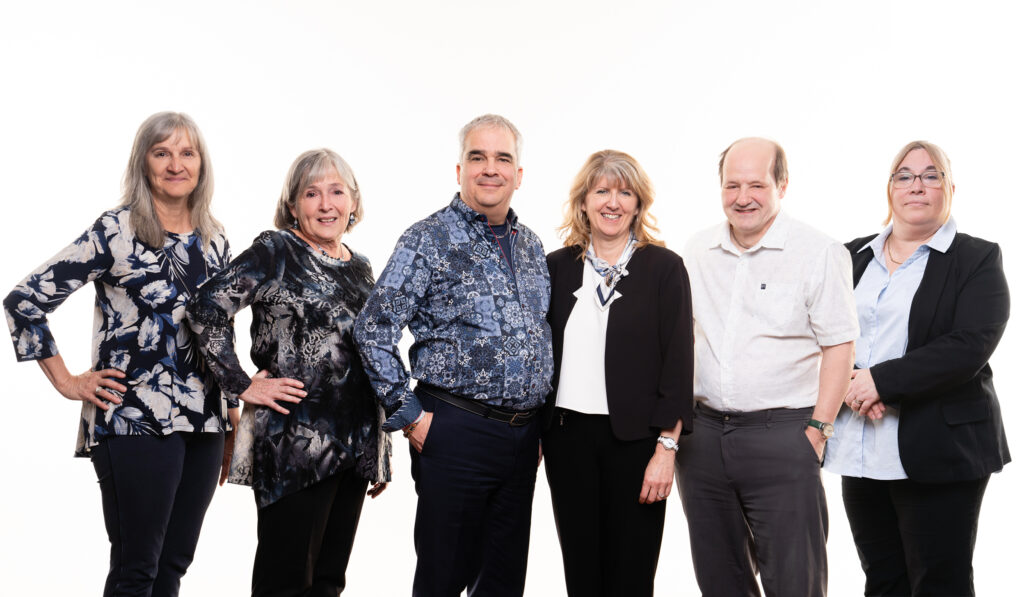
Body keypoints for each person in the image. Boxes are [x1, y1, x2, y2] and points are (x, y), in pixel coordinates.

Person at [3, 112, 230, 597]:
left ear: (201, 164)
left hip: (205, 424)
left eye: (186, 153)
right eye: (161, 153)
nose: (175, 164)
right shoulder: (117, 230)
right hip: (133, 419)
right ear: (143, 162)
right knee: (136, 571)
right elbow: (24, 301)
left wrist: (230, 413)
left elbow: (219, 333)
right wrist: (68, 381)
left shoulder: (215, 239)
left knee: (172, 567)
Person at [354, 114, 553, 597]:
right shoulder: (428, 238)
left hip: (523, 438)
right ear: (460, 169)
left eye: (502, 158)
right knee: (443, 578)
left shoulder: (531, 245)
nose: (490, 168)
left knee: (503, 583)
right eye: (477, 157)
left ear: (519, 174)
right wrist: (409, 416)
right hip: (454, 430)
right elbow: (373, 328)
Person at [186, 148, 390, 596]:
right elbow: (204, 308)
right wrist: (241, 384)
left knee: (328, 583)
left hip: (354, 447)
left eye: (337, 192)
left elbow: (368, 355)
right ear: (293, 205)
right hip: (295, 445)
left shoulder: (360, 267)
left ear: (353, 201)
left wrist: (378, 450)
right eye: (311, 193)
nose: (326, 204)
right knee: (285, 583)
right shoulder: (276, 250)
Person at [823, 141, 1010, 597]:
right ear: (890, 189)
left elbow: (969, 344)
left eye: (931, 175)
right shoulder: (851, 256)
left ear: (950, 189)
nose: (917, 186)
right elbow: (820, 333)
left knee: (938, 583)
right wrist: (850, 384)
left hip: (940, 448)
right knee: (883, 580)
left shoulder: (977, 258)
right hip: (861, 448)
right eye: (904, 176)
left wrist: (879, 381)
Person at [677, 137, 858, 597]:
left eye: (756, 185)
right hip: (703, 440)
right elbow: (681, 338)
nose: (743, 198)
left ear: (782, 185)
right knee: (720, 580)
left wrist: (818, 431)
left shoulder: (818, 251)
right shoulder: (697, 250)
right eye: (732, 185)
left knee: (795, 583)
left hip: (784, 436)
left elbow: (840, 346)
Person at [543, 150, 692, 596]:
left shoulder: (665, 268)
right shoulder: (556, 267)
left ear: (638, 203)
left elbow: (679, 365)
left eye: (625, 193)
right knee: (582, 576)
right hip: (567, 441)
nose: (613, 202)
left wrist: (667, 448)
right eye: (602, 191)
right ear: (583, 202)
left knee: (631, 576)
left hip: (637, 444)